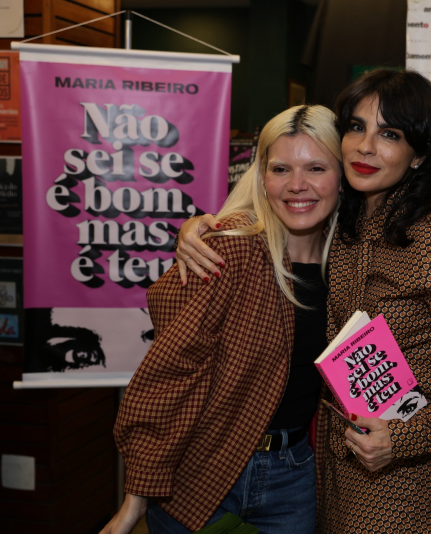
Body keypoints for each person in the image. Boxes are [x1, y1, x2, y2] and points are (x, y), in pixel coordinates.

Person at [175, 69, 431, 534]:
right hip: (325, 473)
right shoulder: (344, 225)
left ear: (418, 155)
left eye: (389, 134)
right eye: (356, 127)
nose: (366, 146)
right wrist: (198, 228)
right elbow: (280, 204)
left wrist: (404, 437)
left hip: (401, 484)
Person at [100, 104, 343, 534]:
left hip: (295, 474)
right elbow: (173, 371)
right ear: (261, 176)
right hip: (202, 470)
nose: (297, 186)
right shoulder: (233, 250)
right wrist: (133, 502)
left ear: (341, 176)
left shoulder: (349, 263)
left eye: (316, 167)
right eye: (281, 169)